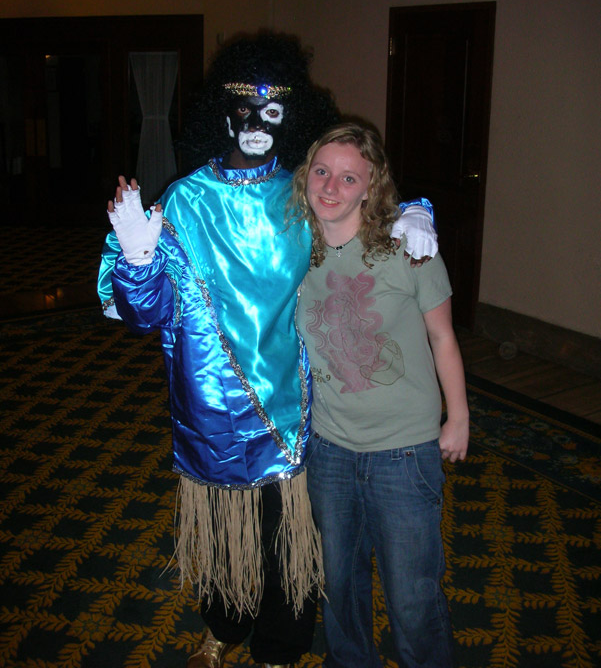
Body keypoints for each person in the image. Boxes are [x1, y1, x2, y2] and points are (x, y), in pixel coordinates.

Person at [97, 33, 439, 668]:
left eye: (273, 111)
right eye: (245, 110)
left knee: (288, 538)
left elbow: (359, 211)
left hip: (289, 403)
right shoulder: (185, 200)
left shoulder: (298, 195)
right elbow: (147, 316)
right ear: (223, 114)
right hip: (209, 405)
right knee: (224, 535)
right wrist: (139, 258)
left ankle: (281, 646)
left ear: (291, 118)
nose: (257, 124)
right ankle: (223, 628)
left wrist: (413, 212)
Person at [291, 122, 469, 668]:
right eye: (322, 171)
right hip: (329, 447)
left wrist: (458, 417)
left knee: (413, 596)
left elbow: (443, 338)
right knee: (339, 587)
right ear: (306, 175)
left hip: (403, 450)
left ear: (370, 188)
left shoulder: (410, 249)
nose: (331, 187)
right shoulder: (292, 251)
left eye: (349, 178)